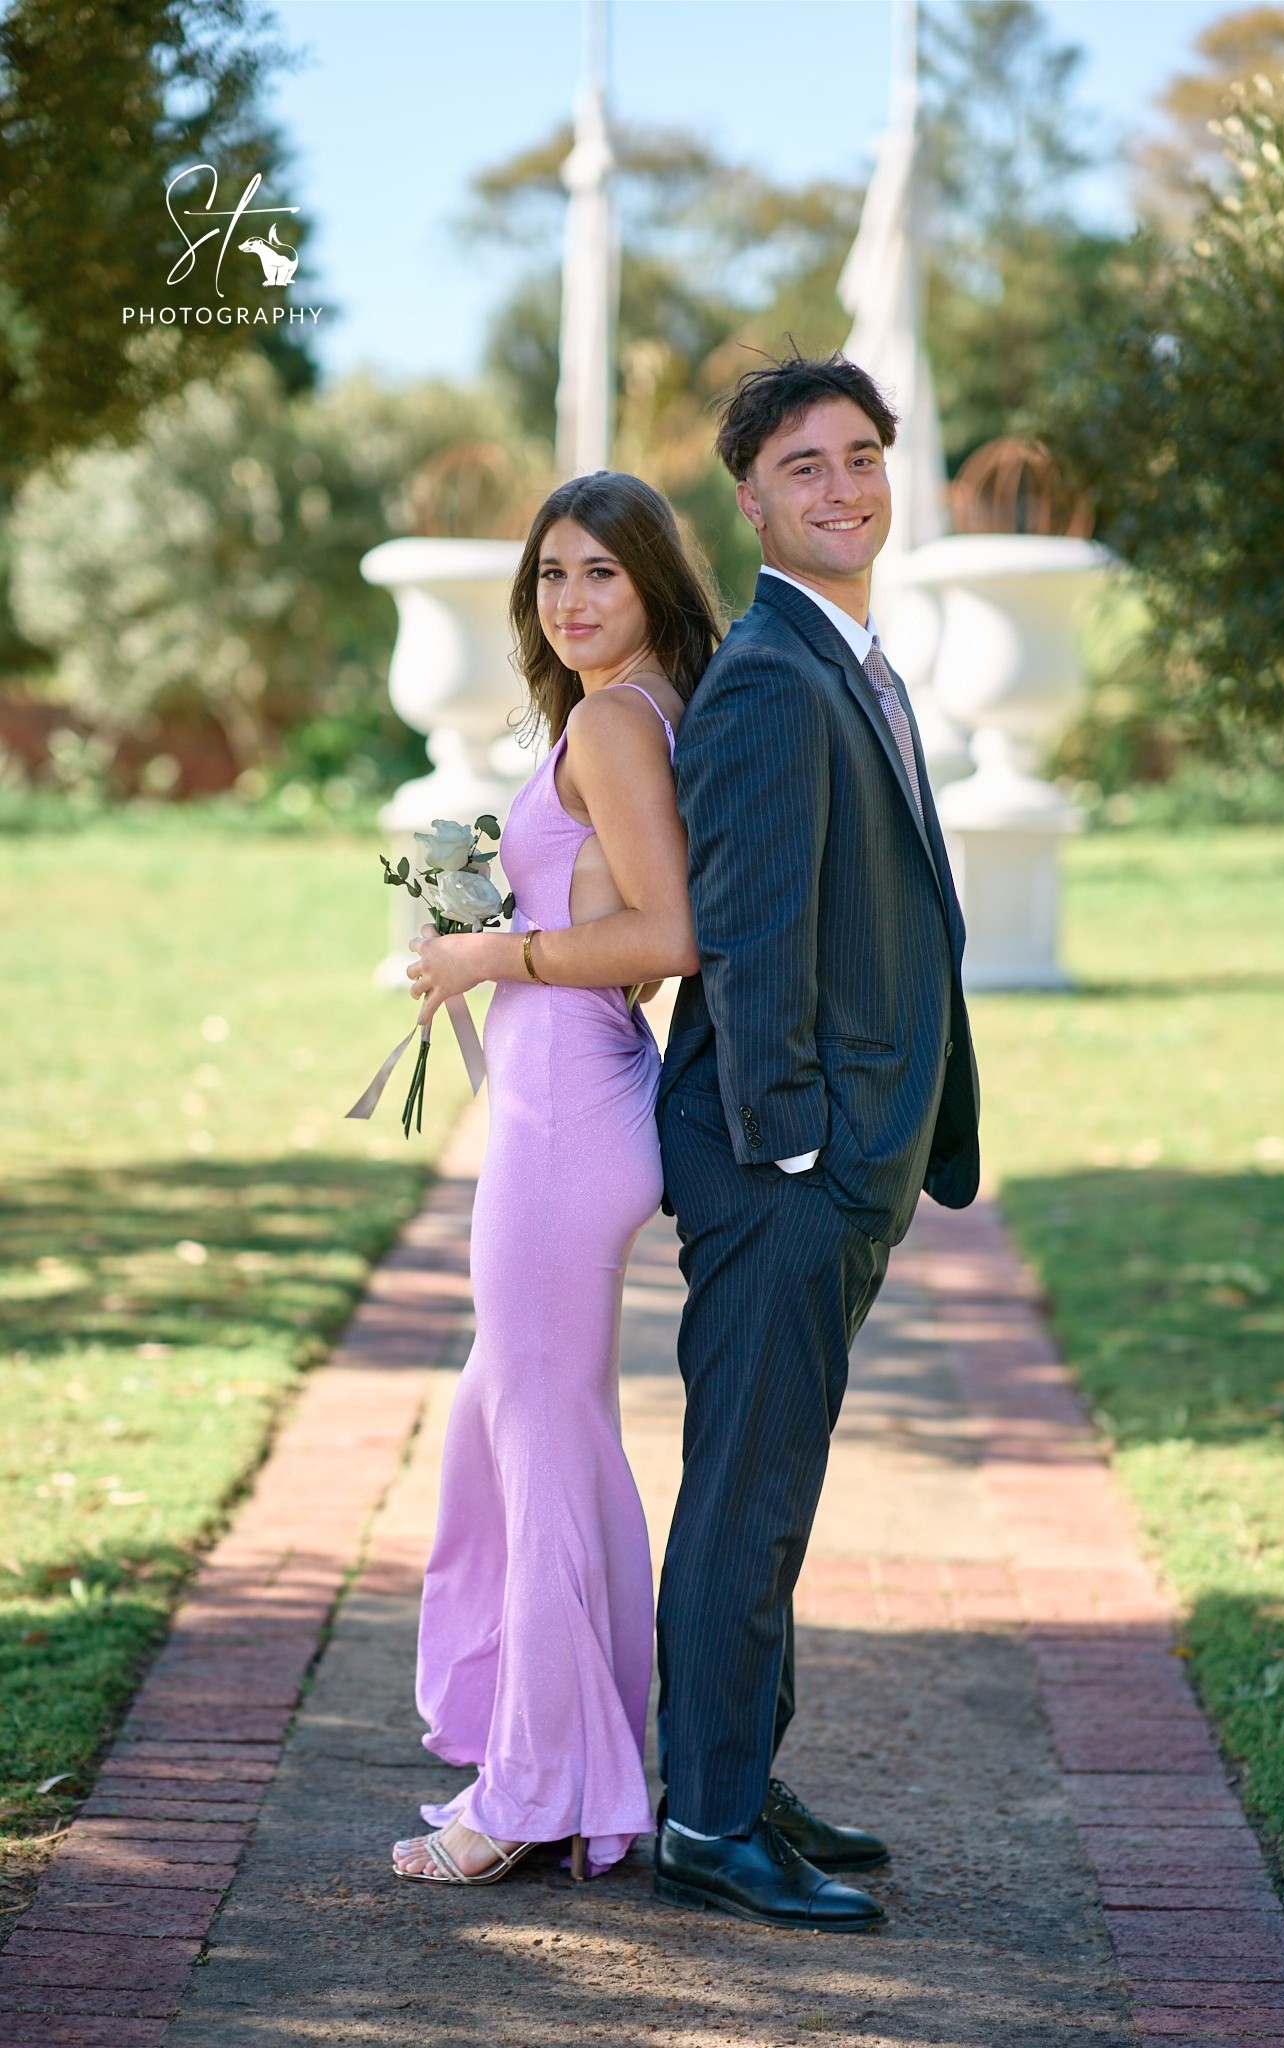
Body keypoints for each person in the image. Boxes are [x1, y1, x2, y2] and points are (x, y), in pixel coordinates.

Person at [653, 353, 981, 1931]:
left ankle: (740, 1773)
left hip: (841, 1163)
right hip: (786, 1169)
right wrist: (796, 1152)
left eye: (861, 457)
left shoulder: (844, 656)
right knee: (747, 1494)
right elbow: (749, 936)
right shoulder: (774, 679)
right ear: (751, 500)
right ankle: (707, 1824)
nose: (843, 487)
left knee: (770, 1485)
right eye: (805, 466)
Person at [391, 472, 720, 1886]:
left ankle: (533, 1792)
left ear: (651, 582)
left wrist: (491, 952)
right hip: (565, 1101)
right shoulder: (635, 710)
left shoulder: (613, 722)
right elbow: (616, 913)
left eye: (601, 572)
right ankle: (570, 1770)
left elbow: (668, 934)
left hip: (565, 1119)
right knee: (523, 1428)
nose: (571, 599)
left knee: (542, 1443)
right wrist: (485, 928)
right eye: (550, 575)